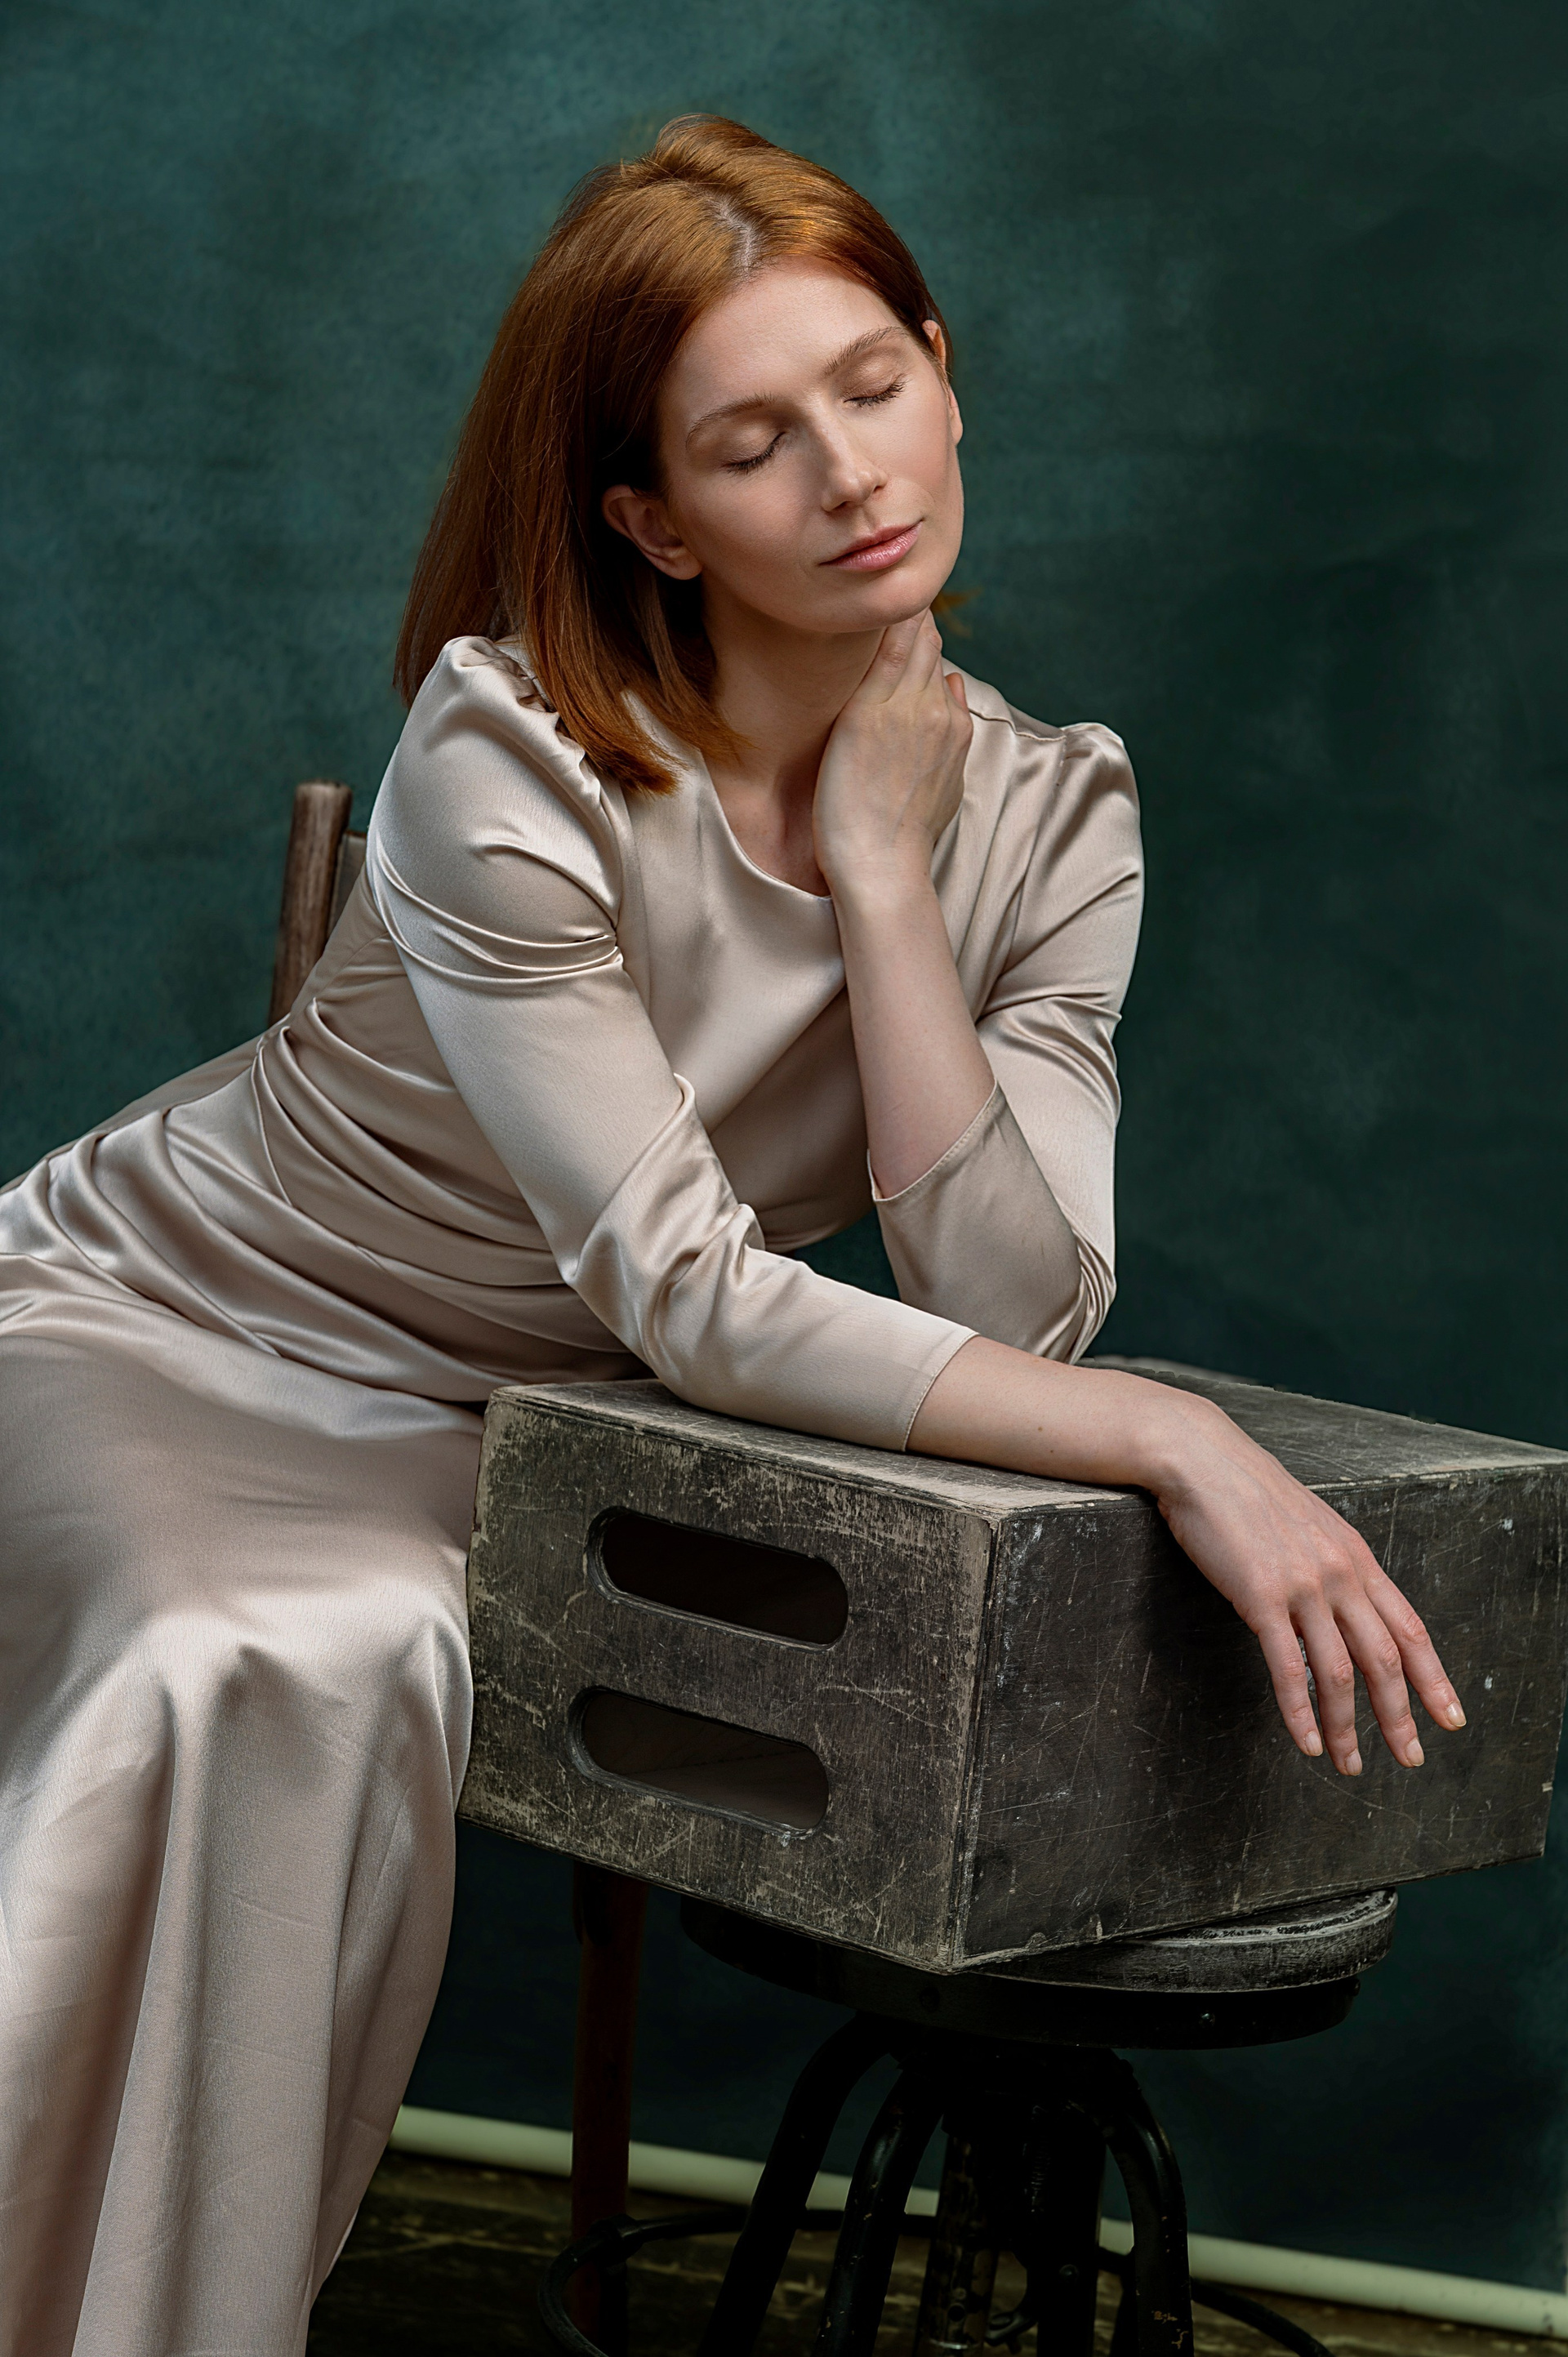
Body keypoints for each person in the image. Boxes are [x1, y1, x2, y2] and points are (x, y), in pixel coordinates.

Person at [0, 115, 1463, 2356]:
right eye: (753, 443)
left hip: (563, 1436)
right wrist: (1179, 1439)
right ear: (653, 518)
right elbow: (683, 1291)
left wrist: (884, 879)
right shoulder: (508, 749)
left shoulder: (1057, 810)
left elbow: (1018, 1308)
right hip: (175, 1327)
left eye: (875, 384)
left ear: (948, 375)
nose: (851, 474)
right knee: (282, 1652)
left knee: (437, 1645)